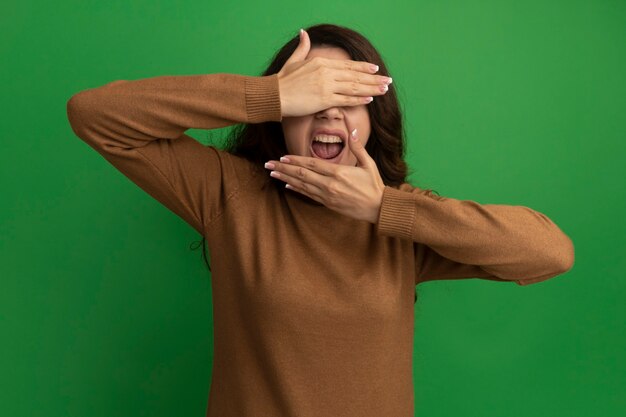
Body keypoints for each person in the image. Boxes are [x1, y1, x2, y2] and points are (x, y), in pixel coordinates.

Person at [66, 23, 574, 417]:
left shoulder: (402, 217)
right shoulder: (229, 194)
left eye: (349, 98)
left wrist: (384, 209)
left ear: (373, 121)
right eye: (315, 95)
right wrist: (270, 94)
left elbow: (551, 252)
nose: (330, 113)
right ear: (282, 115)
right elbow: (93, 114)